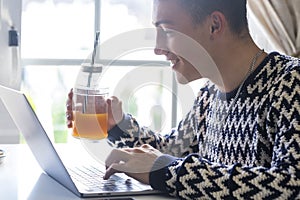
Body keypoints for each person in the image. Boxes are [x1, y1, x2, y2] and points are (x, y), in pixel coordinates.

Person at [66, 0, 300, 199]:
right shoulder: (209, 95)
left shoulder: (291, 83)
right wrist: (117, 125)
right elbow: (173, 151)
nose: (157, 48)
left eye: (166, 31)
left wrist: (165, 171)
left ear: (214, 25)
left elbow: (291, 186)